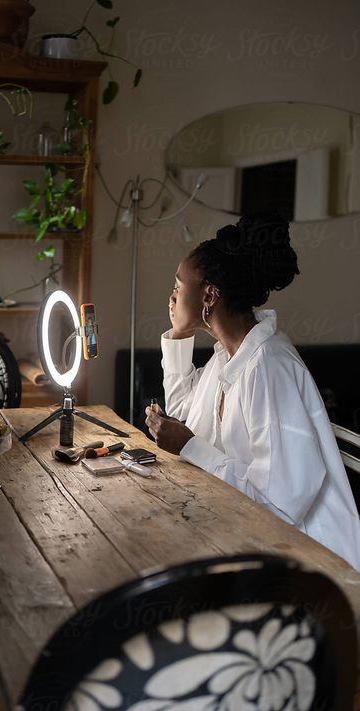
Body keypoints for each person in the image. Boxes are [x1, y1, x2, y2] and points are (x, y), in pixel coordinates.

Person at [145, 214, 360, 570]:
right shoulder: (228, 355)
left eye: (178, 285)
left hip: (314, 561)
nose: (172, 295)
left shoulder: (268, 367)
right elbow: (184, 413)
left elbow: (280, 503)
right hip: (256, 535)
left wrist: (189, 446)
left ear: (209, 294)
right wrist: (180, 336)